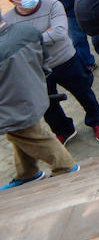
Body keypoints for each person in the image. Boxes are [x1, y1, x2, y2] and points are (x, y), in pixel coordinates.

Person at [3, 0, 99, 145]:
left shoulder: (52, 5)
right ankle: (64, 130)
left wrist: (23, 41)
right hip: (35, 69)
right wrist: (42, 35)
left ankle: (97, 121)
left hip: (65, 60)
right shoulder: (8, 19)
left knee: (84, 93)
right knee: (47, 104)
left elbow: (58, 32)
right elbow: (7, 43)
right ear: (13, 2)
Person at [0, 17, 79, 189]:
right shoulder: (27, 31)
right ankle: (27, 173)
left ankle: (66, 168)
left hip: (10, 107)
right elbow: (45, 61)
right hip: (34, 94)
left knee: (32, 135)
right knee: (21, 134)